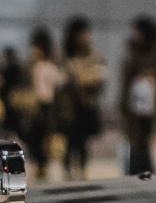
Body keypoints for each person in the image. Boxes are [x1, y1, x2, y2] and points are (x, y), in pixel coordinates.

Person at [119, 16, 156, 175]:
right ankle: (135, 170)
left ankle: (155, 171)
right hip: (135, 106)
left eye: (137, 31)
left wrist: (153, 75)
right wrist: (123, 105)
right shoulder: (132, 51)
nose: (134, 35)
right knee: (136, 140)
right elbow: (125, 80)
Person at [60, 17, 107, 179]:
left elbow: (101, 75)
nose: (85, 36)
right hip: (69, 105)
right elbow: (62, 79)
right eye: (82, 33)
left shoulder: (93, 54)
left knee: (83, 139)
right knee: (70, 138)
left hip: (87, 103)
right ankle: (68, 169)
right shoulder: (66, 55)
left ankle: (82, 168)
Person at [23, 27, 66, 181]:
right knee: (33, 135)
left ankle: (43, 164)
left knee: (45, 136)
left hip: (47, 105)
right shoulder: (32, 64)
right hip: (34, 104)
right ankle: (39, 163)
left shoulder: (49, 65)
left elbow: (60, 82)